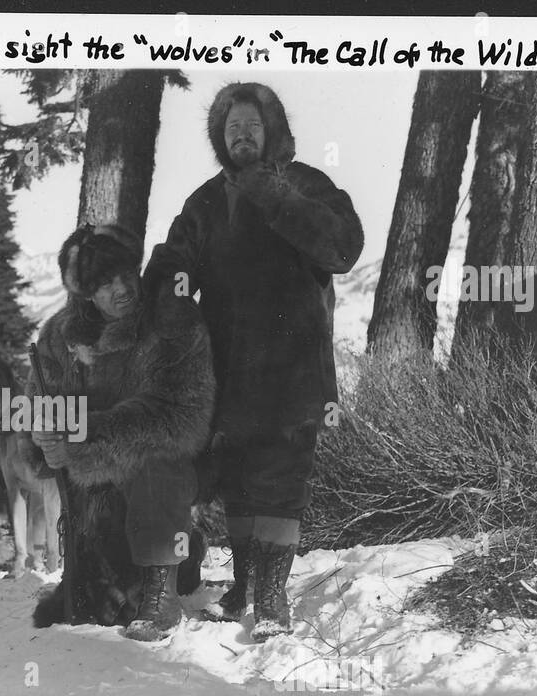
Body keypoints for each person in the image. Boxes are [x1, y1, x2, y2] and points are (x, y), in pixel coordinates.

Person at [142, 82, 364, 636]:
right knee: (242, 479)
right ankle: (244, 586)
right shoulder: (206, 201)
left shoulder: (307, 183)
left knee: (283, 480)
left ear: (273, 130)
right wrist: (169, 290)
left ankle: (271, 598)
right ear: (221, 137)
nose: (241, 135)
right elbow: (176, 259)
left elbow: (342, 248)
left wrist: (277, 198)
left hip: (295, 367)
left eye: (252, 126)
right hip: (230, 364)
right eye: (231, 128)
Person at [24, 224, 215, 639]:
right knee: (94, 604)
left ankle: (161, 594)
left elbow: (178, 419)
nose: (123, 289)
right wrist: (45, 441)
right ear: (86, 294)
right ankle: (160, 560)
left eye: (127, 274)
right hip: (92, 492)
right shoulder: (59, 336)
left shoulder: (171, 321)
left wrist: (78, 440)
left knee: (154, 465)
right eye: (105, 283)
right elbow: (41, 409)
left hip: (161, 472)